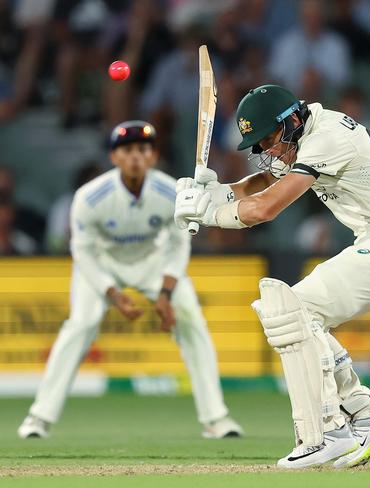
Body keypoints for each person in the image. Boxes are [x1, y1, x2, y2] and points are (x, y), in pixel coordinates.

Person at [174, 85, 370, 468]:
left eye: (269, 139)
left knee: (293, 308)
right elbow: (262, 184)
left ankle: (327, 433)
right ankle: (365, 416)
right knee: (283, 311)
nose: (267, 151)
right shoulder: (304, 135)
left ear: (292, 121)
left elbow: (265, 208)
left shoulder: (327, 136)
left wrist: (208, 214)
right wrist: (214, 193)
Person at [18, 121, 242, 440]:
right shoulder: (90, 197)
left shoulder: (170, 192)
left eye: (143, 149)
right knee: (81, 323)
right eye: (127, 150)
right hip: (102, 264)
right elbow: (82, 251)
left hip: (154, 262)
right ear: (114, 157)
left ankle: (216, 418)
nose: (136, 156)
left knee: (191, 319)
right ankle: (39, 417)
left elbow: (179, 244)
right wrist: (111, 292)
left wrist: (166, 293)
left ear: (153, 156)